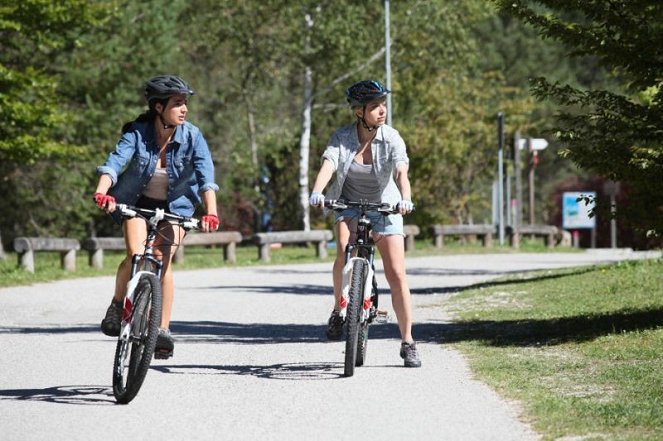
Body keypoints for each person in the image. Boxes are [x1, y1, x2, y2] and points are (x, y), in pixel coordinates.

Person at [93, 74, 219, 359]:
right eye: (177, 103)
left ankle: (162, 329)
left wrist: (211, 212)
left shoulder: (194, 136)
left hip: (177, 209)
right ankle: (117, 304)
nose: (184, 108)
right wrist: (103, 193)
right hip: (137, 203)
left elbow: (206, 178)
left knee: (163, 259)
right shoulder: (137, 132)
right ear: (159, 107)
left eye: (185, 103)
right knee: (135, 254)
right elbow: (114, 163)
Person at [309, 80, 421, 368]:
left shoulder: (392, 138)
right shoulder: (343, 137)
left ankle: (408, 342)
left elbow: (401, 170)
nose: (381, 110)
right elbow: (329, 164)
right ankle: (339, 309)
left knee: (397, 273)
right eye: (374, 107)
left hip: (385, 206)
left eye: (382, 104)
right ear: (359, 111)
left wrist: (406, 198)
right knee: (343, 248)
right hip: (348, 203)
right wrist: (317, 191)